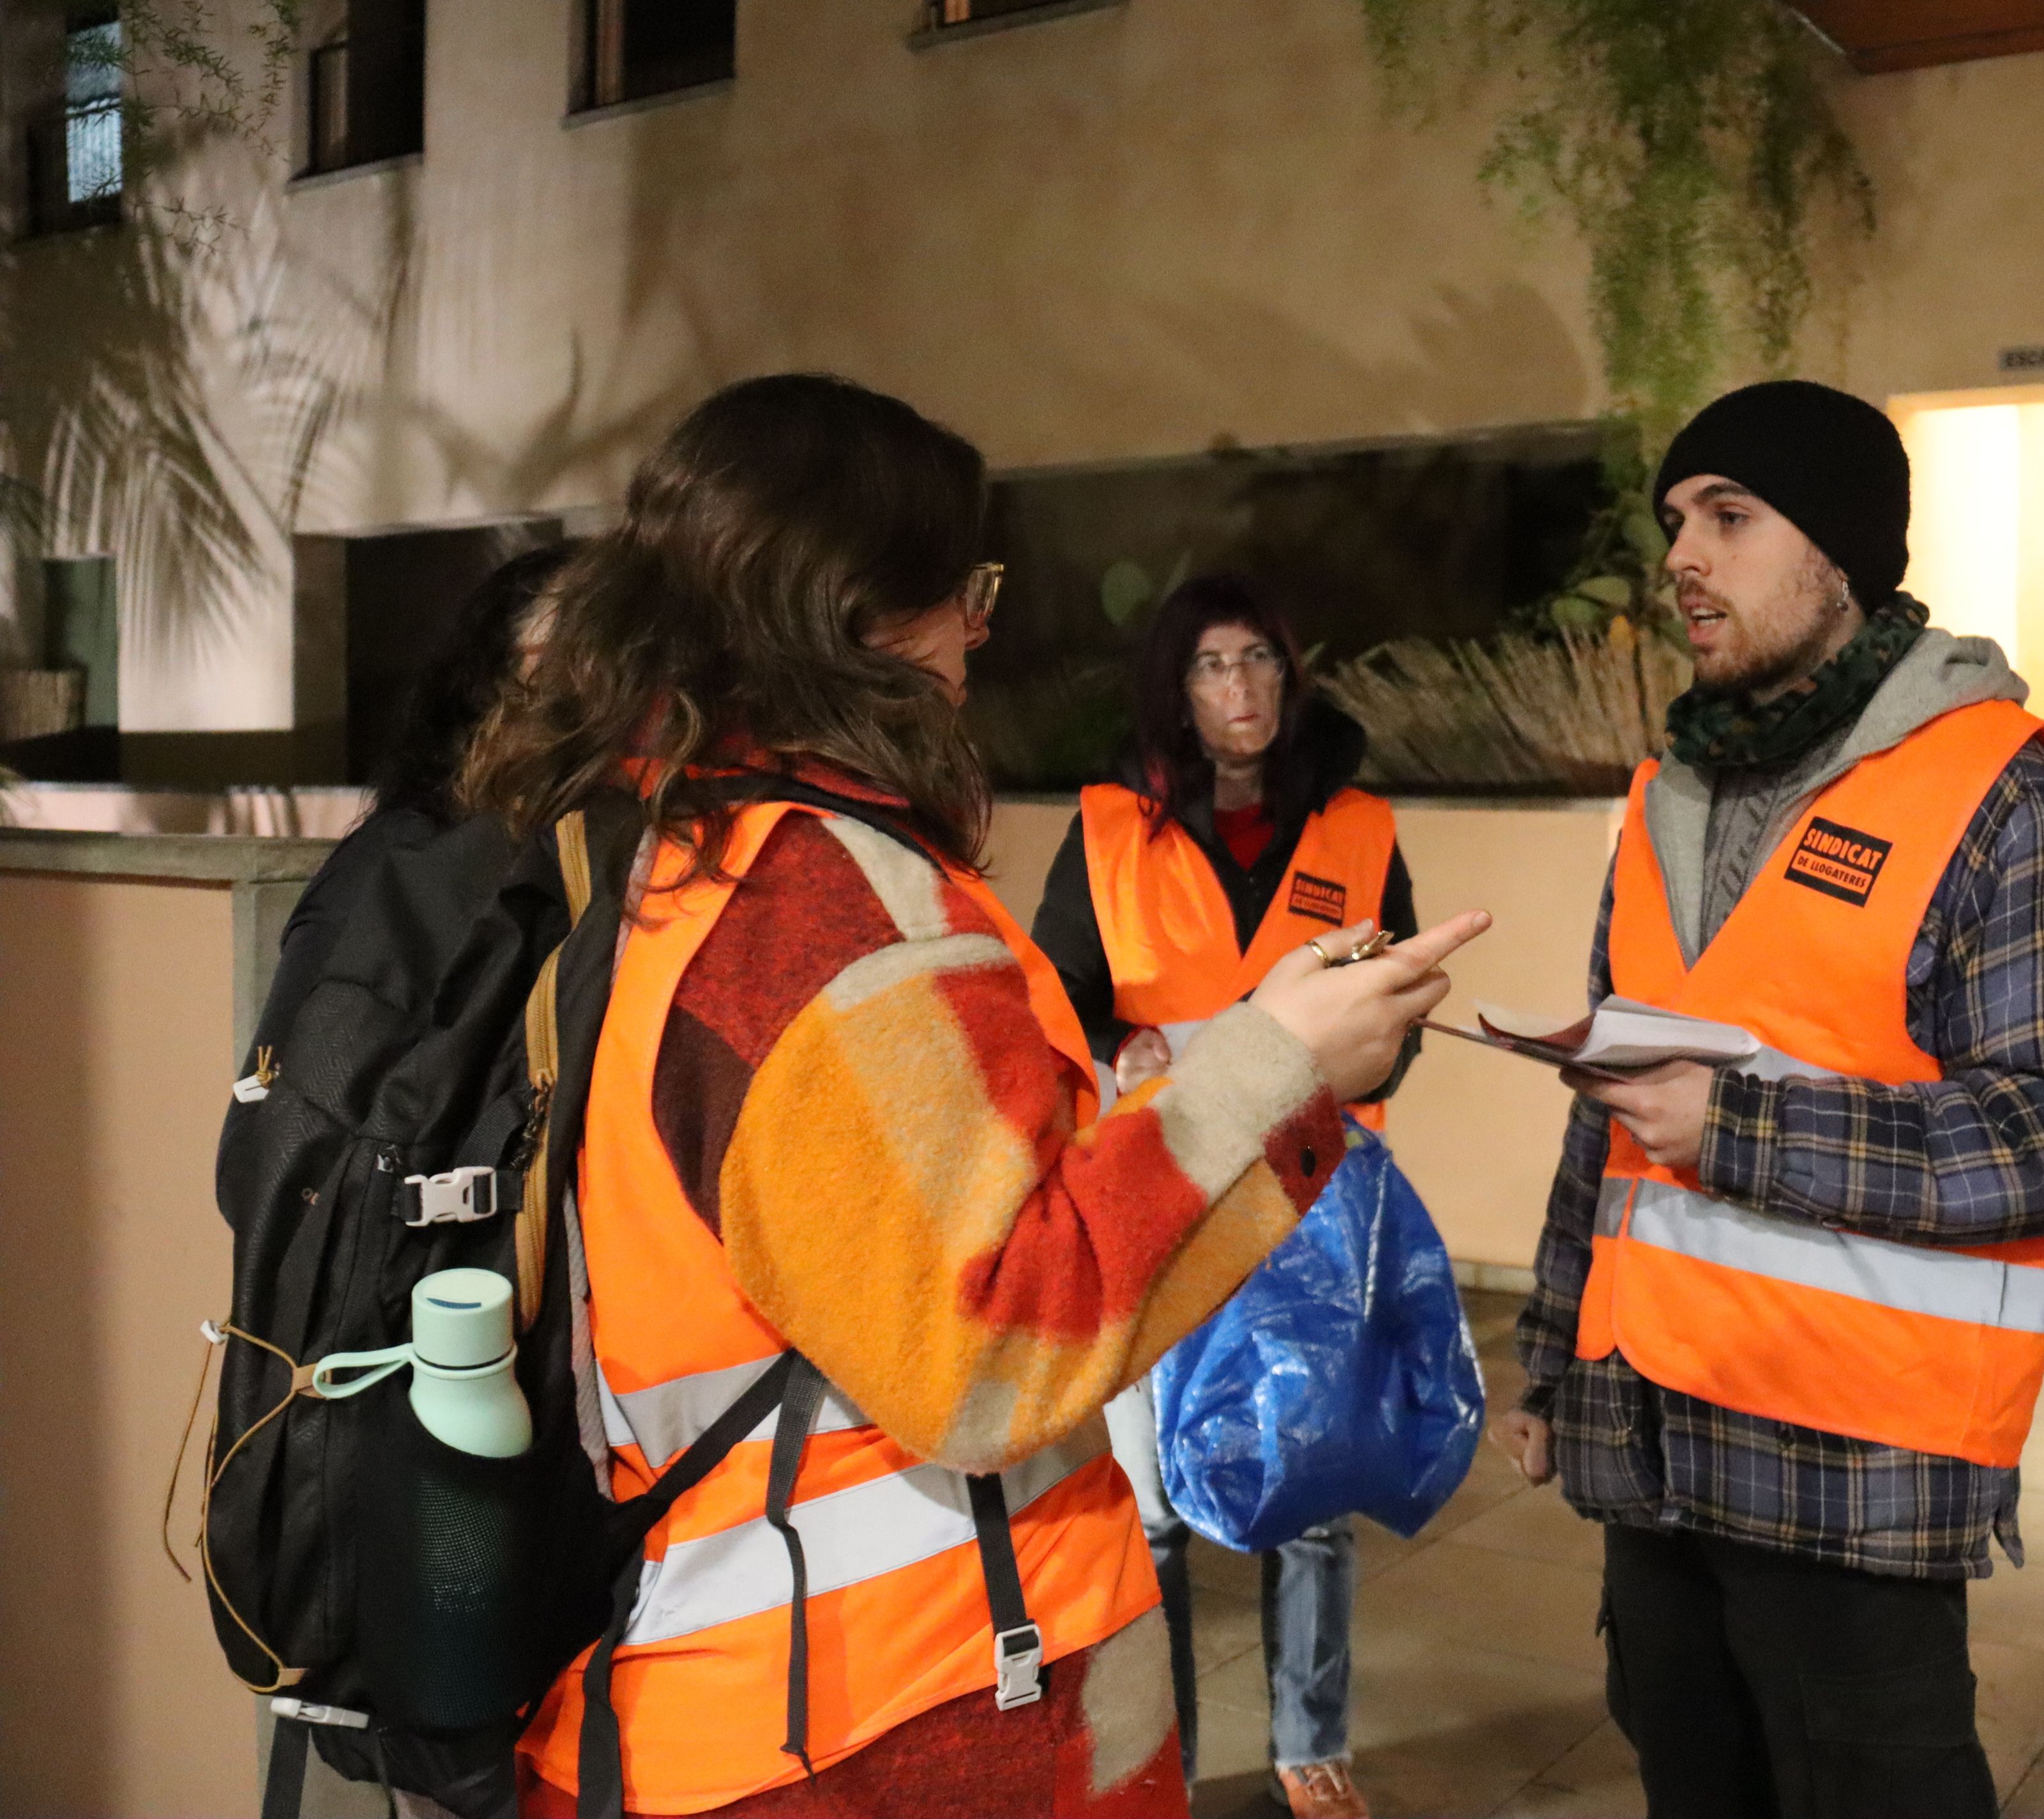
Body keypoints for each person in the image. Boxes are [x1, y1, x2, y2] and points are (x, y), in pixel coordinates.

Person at [458, 374, 1487, 1819]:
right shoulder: (816, 904)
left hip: (784, 1688)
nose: (979, 630)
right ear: (856, 610)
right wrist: (1285, 1067)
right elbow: (996, 1334)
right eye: (962, 588)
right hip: (888, 1723)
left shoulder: (665, 845)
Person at [1498, 381, 2044, 1819]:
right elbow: (1608, 1101)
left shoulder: (1992, 793)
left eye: (1730, 517)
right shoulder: (1669, 789)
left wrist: (1738, 1131)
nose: (1684, 555)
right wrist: (1554, 1350)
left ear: (1841, 557)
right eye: (1677, 521)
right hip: (1655, 1443)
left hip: (1850, 1473)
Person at [1032, 574, 1415, 1819]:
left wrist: (1352, 1047)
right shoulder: (1107, 826)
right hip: (1160, 1187)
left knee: (1313, 1489)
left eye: (1259, 659)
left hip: (1314, 1195)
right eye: (1211, 665)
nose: (1241, 688)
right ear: (1174, 688)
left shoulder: (1357, 824)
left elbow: (1398, 1010)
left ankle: (1312, 1738)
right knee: (1148, 1513)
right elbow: (1061, 1001)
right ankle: (1170, 1762)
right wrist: (1119, 1051)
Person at [246, 539, 577, 1099]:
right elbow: (273, 1102)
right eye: (573, 660)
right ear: (497, 681)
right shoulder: (401, 860)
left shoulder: (584, 857)